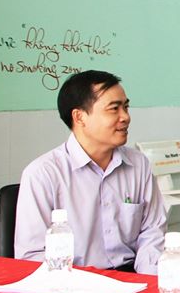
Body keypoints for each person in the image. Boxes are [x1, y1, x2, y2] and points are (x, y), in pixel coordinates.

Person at [15, 70, 166, 274]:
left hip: (131, 278)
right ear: (79, 117)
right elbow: (31, 256)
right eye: (114, 109)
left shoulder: (138, 164)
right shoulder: (43, 174)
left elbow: (152, 233)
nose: (125, 117)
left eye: (126, 107)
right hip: (71, 281)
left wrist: (148, 283)